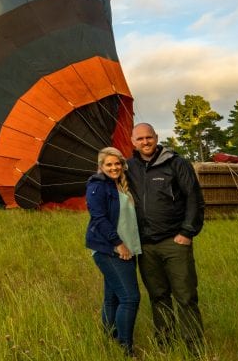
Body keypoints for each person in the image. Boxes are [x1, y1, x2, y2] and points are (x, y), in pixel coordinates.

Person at [127, 122, 205, 354]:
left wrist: (186, 232)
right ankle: (165, 344)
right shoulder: (129, 167)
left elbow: (194, 198)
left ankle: (194, 347)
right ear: (133, 142)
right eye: (140, 139)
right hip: (145, 245)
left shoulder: (176, 164)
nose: (145, 142)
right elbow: (106, 177)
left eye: (148, 137)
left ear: (156, 137)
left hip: (174, 241)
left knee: (185, 295)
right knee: (158, 296)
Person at [86, 146, 142, 357]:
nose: (114, 167)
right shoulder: (98, 185)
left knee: (113, 298)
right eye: (109, 164)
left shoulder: (120, 185)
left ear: (122, 164)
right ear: (101, 167)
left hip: (127, 248)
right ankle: (126, 348)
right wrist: (118, 243)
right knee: (130, 298)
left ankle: (109, 340)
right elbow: (98, 218)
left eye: (117, 163)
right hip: (111, 250)